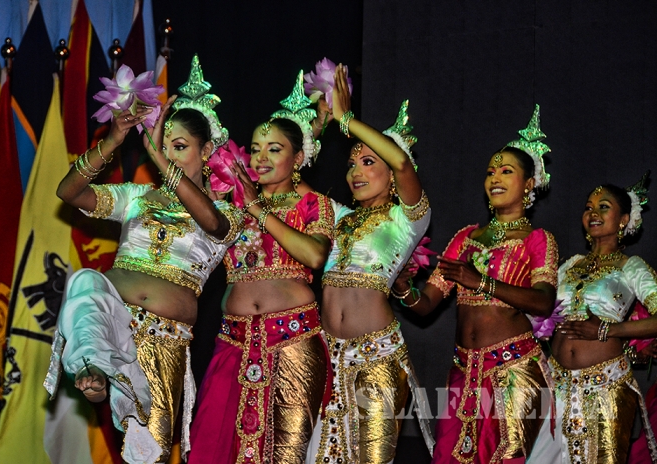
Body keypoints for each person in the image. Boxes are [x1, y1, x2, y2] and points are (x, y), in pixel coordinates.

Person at [44, 57, 242, 463]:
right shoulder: (137, 197)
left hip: (165, 340)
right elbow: (69, 192)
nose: (166, 155)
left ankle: (115, 384)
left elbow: (214, 226)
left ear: (207, 151)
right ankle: (94, 366)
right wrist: (112, 141)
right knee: (84, 283)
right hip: (115, 321)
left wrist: (162, 164)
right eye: (163, 147)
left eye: (179, 148)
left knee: (150, 452)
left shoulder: (225, 213)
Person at [395, 105, 559, 463]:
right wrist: (403, 287)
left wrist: (481, 282)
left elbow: (543, 301)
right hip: (464, 371)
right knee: (447, 456)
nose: (495, 178)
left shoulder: (537, 239)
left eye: (506, 171)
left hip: (514, 369)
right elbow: (425, 305)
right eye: (490, 172)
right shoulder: (466, 237)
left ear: (529, 184)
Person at [187, 71, 334, 464]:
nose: (261, 158)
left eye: (274, 149)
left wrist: (257, 209)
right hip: (233, 342)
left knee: (285, 454)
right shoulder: (231, 207)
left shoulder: (312, 204)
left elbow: (315, 256)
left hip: (293, 341)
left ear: (298, 158)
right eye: (255, 149)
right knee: (209, 446)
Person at [303, 64, 434, 464]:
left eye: (368, 162)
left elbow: (404, 164)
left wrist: (347, 121)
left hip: (377, 359)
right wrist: (319, 127)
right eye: (352, 164)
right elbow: (290, 183)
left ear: (391, 175)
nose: (355, 172)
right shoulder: (340, 217)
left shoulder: (407, 219)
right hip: (328, 357)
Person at [542, 174, 657, 463]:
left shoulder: (631, 267)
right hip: (555, 383)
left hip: (606, 385)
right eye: (588, 207)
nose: (593, 213)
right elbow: (539, 311)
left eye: (603, 207)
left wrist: (607, 330)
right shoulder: (570, 265)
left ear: (623, 220)